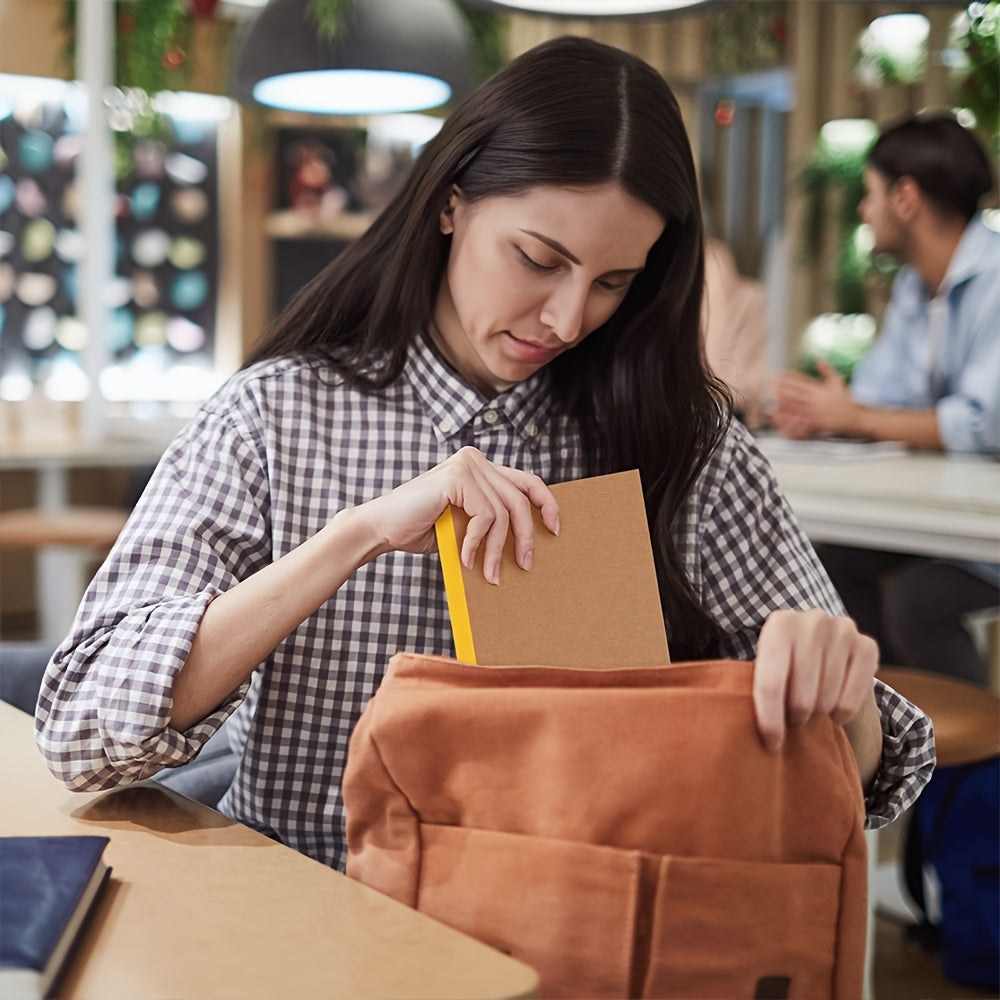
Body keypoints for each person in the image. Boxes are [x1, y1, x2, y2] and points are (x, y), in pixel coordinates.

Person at [35, 37, 932, 872]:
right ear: (450, 203)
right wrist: (352, 537)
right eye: (539, 258)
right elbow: (80, 727)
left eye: (615, 282)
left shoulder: (685, 446)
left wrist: (839, 694)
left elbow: (870, 780)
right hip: (306, 916)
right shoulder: (275, 417)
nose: (568, 319)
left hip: (577, 929)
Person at [771, 114, 999, 684]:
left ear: (905, 197)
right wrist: (829, 417)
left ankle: (973, 767)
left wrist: (858, 416)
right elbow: (879, 400)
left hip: (985, 527)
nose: (861, 211)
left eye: (868, 194)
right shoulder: (914, 284)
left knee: (916, 601)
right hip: (944, 517)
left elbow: (979, 423)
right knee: (827, 565)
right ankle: (883, 731)